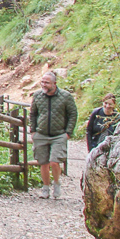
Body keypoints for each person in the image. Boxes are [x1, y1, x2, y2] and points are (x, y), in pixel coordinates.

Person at [30, 71, 78, 199]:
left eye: (47, 83)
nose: (44, 85)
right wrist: (33, 131)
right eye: (42, 82)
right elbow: (33, 114)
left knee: (54, 161)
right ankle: (45, 188)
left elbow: (72, 114)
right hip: (41, 133)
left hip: (59, 134)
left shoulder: (66, 96)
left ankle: (56, 183)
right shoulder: (37, 95)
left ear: (54, 84)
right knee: (43, 162)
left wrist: (68, 132)